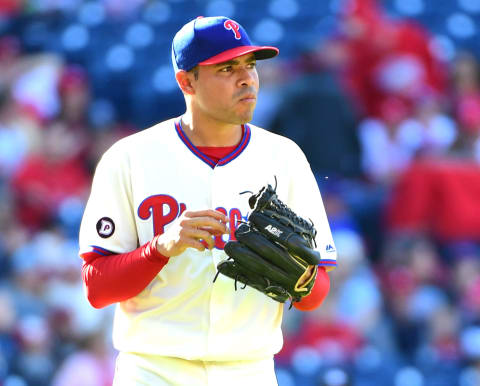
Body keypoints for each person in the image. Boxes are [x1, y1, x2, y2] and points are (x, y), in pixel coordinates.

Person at [78, 16, 337, 386]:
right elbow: (97, 288)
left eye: (250, 65)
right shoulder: (130, 158)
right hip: (154, 371)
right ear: (187, 81)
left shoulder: (285, 158)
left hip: (249, 371)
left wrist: (302, 280)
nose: (246, 78)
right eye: (227, 68)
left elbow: (316, 294)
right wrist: (161, 248)